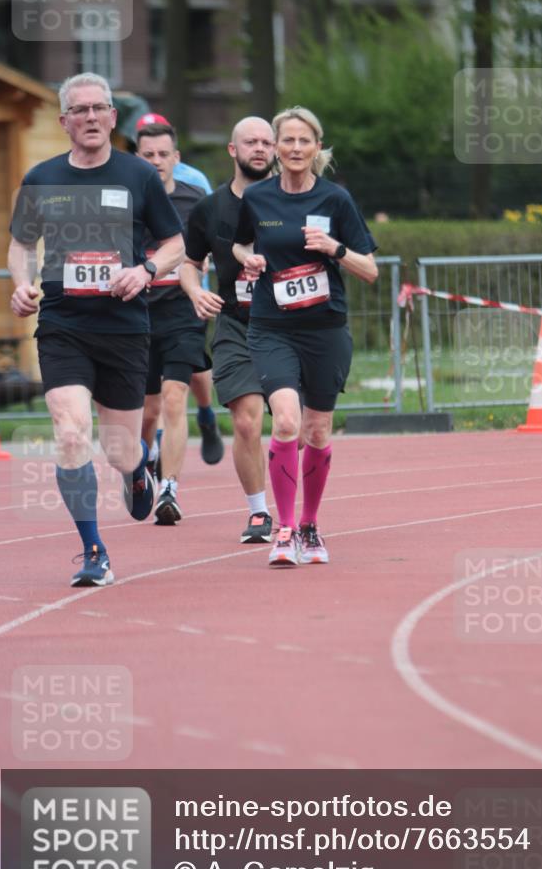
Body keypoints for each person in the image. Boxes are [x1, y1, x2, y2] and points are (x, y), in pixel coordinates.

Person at [8, 72, 184, 586]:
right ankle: (94, 551)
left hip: (123, 328)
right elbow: (21, 244)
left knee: (119, 450)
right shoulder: (41, 178)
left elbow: (175, 245)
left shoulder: (139, 175)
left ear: (112, 117)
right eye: (79, 110)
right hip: (63, 324)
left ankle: (137, 467)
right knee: (70, 434)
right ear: (64, 121)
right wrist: (21, 285)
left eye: (98, 108)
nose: (90, 117)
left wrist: (145, 270)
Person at [232, 106, 378, 567]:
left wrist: (335, 249)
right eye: (288, 140)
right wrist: (249, 258)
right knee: (286, 422)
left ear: (317, 148)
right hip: (272, 327)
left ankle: (311, 526)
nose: (295, 148)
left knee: (317, 429)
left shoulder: (336, 200)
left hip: (325, 329)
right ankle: (286, 528)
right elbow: (240, 242)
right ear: (276, 147)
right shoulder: (257, 197)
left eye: (304, 141)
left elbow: (370, 269)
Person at [180, 116, 276, 544]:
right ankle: (259, 512)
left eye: (266, 142)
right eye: (250, 142)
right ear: (233, 151)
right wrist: (195, 292)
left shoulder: (293, 200)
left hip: (292, 326)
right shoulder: (209, 208)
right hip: (237, 324)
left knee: (300, 429)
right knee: (246, 422)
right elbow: (189, 263)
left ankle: (300, 510)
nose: (260, 148)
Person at [136, 121, 222, 524]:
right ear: (138, 159)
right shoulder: (125, 202)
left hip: (183, 311)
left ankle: (169, 489)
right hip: (137, 314)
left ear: (176, 158)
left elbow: (220, 242)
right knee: (147, 410)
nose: (156, 161)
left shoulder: (195, 198)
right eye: (148, 155)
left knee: (174, 397)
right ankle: (144, 462)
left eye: (162, 154)